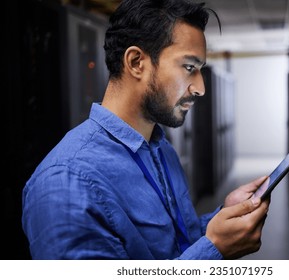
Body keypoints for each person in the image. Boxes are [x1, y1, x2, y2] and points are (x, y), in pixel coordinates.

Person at [22, 0, 270, 260]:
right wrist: (213, 251)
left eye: (200, 70)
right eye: (189, 68)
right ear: (136, 62)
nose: (200, 87)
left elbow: (174, 245)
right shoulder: (67, 183)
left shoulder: (161, 148)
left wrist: (221, 221)